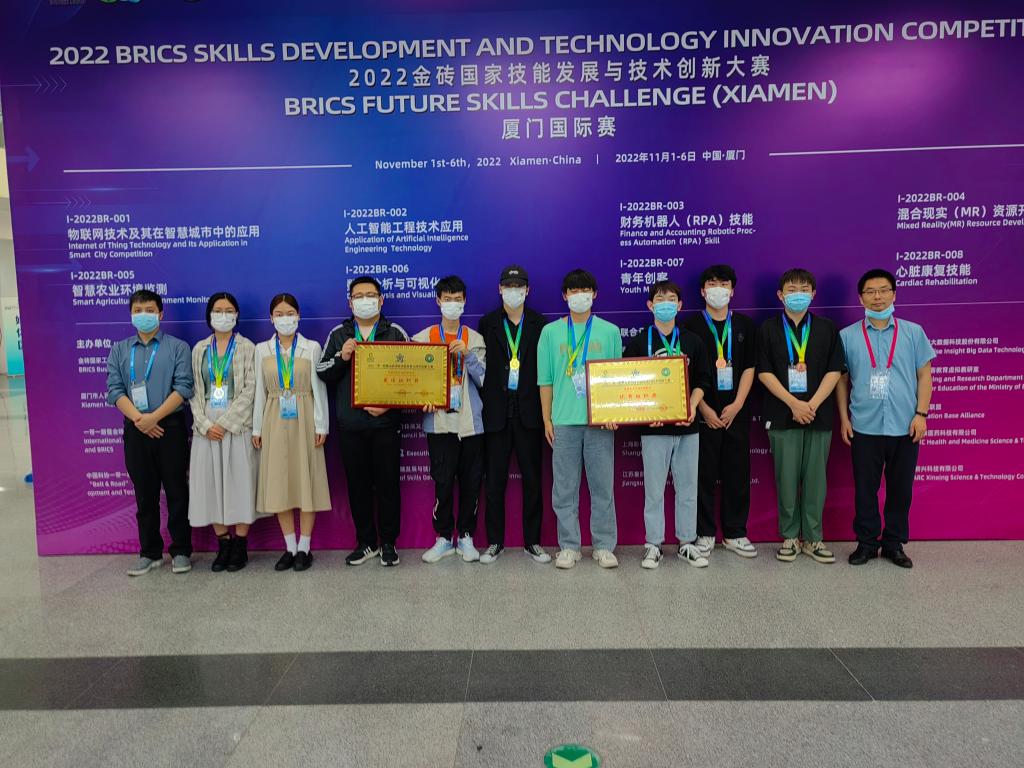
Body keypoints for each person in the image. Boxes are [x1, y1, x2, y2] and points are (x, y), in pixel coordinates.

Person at [836, 269, 934, 569]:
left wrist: (921, 414)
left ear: (894, 294)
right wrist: (844, 418)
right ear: (860, 298)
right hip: (864, 426)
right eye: (870, 291)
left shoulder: (913, 332)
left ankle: (894, 544)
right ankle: (866, 543)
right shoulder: (847, 336)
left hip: (905, 426)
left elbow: (925, 375)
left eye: (883, 290)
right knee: (865, 489)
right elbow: (841, 380)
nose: (877, 297)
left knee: (900, 489)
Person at [317, 276, 408, 567]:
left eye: (370, 295)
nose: (365, 300)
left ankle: (388, 543)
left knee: (388, 485)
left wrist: (389, 405)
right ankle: (366, 542)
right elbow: (322, 371)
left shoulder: (394, 332)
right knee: (358, 486)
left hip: (385, 425)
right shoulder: (339, 334)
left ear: (381, 300)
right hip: (351, 426)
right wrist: (342, 357)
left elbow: (412, 379)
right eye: (359, 296)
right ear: (350, 302)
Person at [538, 268, 623, 570]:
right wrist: (547, 419)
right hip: (563, 420)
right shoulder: (550, 333)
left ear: (594, 294)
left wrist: (613, 413)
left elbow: (616, 378)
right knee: (564, 488)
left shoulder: (610, 331)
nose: (579, 296)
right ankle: (569, 546)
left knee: (602, 487)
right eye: (573, 291)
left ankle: (603, 546)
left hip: (599, 421)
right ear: (565, 296)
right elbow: (545, 380)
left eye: (585, 290)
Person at [757, 268, 844, 564]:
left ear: (813, 294)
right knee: (786, 478)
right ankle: (790, 537)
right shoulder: (767, 329)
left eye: (804, 289)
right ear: (780, 295)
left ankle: (814, 538)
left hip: (818, 414)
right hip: (782, 414)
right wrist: (794, 403)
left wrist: (812, 404)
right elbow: (764, 372)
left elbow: (835, 370)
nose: (798, 295)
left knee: (816, 480)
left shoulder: (827, 328)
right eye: (791, 290)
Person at [105, 289, 194, 577]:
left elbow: (184, 387)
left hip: (170, 428)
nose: (143, 315)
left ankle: (181, 550)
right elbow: (114, 390)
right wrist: (139, 420)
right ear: (131, 315)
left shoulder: (178, 347)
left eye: (149, 310)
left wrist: (153, 418)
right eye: (138, 310)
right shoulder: (120, 350)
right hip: (135, 429)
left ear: (160, 314)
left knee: (177, 491)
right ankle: (150, 552)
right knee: (145, 495)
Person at [625, 280, 711, 569]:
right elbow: (628, 385)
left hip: (688, 427)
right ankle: (653, 544)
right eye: (660, 299)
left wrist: (692, 405)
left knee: (687, 489)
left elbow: (703, 380)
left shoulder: (693, 341)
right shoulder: (639, 342)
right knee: (654, 490)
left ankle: (687, 543)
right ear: (650, 305)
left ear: (680, 305)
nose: (665, 304)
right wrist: (645, 411)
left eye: (671, 299)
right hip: (653, 429)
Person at [684, 265, 759, 559]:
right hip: (703, 413)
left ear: (732, 290)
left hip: (735, 413)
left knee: (737, 474)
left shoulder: (745, 325)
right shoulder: (690, 326)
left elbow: (750, 367)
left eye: (723, 284)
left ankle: (735, 533)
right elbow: (685, 374)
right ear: (703, 291)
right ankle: (704, 533)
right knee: (702, 475)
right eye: (712, 284)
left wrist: (738, 404)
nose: (718, 289)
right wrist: (703, 408)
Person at [477, 265, 550, 564]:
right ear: (500, 289)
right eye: (508, 286)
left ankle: (533, 542)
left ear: (527, 290)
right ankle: (495, 542)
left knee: (533, 481)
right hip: (496, 413)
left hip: (530, 414)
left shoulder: (540, 324)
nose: (513, 291)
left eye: (519, 286)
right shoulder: (488, 323)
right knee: (494, 482)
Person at [253, 293, 330, 572]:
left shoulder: (311, 347)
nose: (285, 319)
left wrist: (321, 425)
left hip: (305, 417)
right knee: (279, 483)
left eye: (290, 313)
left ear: (298, 316)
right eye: (279, 314)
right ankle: (289, 547)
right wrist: (257, 427)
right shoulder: (262, 349)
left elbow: (318, 389)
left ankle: (304, 547)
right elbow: (259, 392)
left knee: (305, 480)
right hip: (273, 417)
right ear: (271, 318)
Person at [414, 275, 488, 563]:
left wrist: (468, 356)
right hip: (439, 424)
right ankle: (444, 538)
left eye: (458, 299)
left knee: (471, 482)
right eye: (448, 299)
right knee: (442, 483)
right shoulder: (423, 338)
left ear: (465, 301)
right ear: (438, 301)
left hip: (471, 425)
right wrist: (421, 398)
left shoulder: (476, 339)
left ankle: (466, 536)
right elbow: (413, 383)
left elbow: (485, 381)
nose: (453, 304)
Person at [188, 292, 258, 572]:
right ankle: (223, 544)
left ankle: (240, 545)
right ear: (209, 315)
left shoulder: (247, 347)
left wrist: (226, 423)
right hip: (206, 426)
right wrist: (205, 425)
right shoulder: (199, 349)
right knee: (210, 484)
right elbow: (193, 391)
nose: (223, 315)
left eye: (229, 310)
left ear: (236, 315)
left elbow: (251, 389)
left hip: (236, 425)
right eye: (218, 310)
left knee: (240, 482)